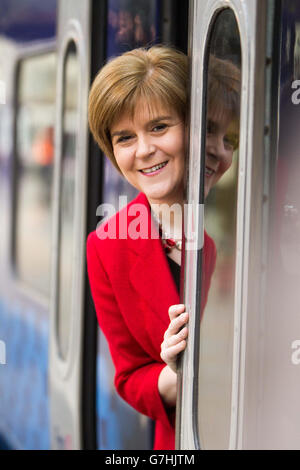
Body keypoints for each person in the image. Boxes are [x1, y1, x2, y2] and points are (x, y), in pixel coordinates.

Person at [87, 45, 240, 450]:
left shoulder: (250, 213)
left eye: (158, 127)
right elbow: (129, 376)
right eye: (124, 138)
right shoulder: (107, 246)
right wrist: (174, 374)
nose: (142, 150)